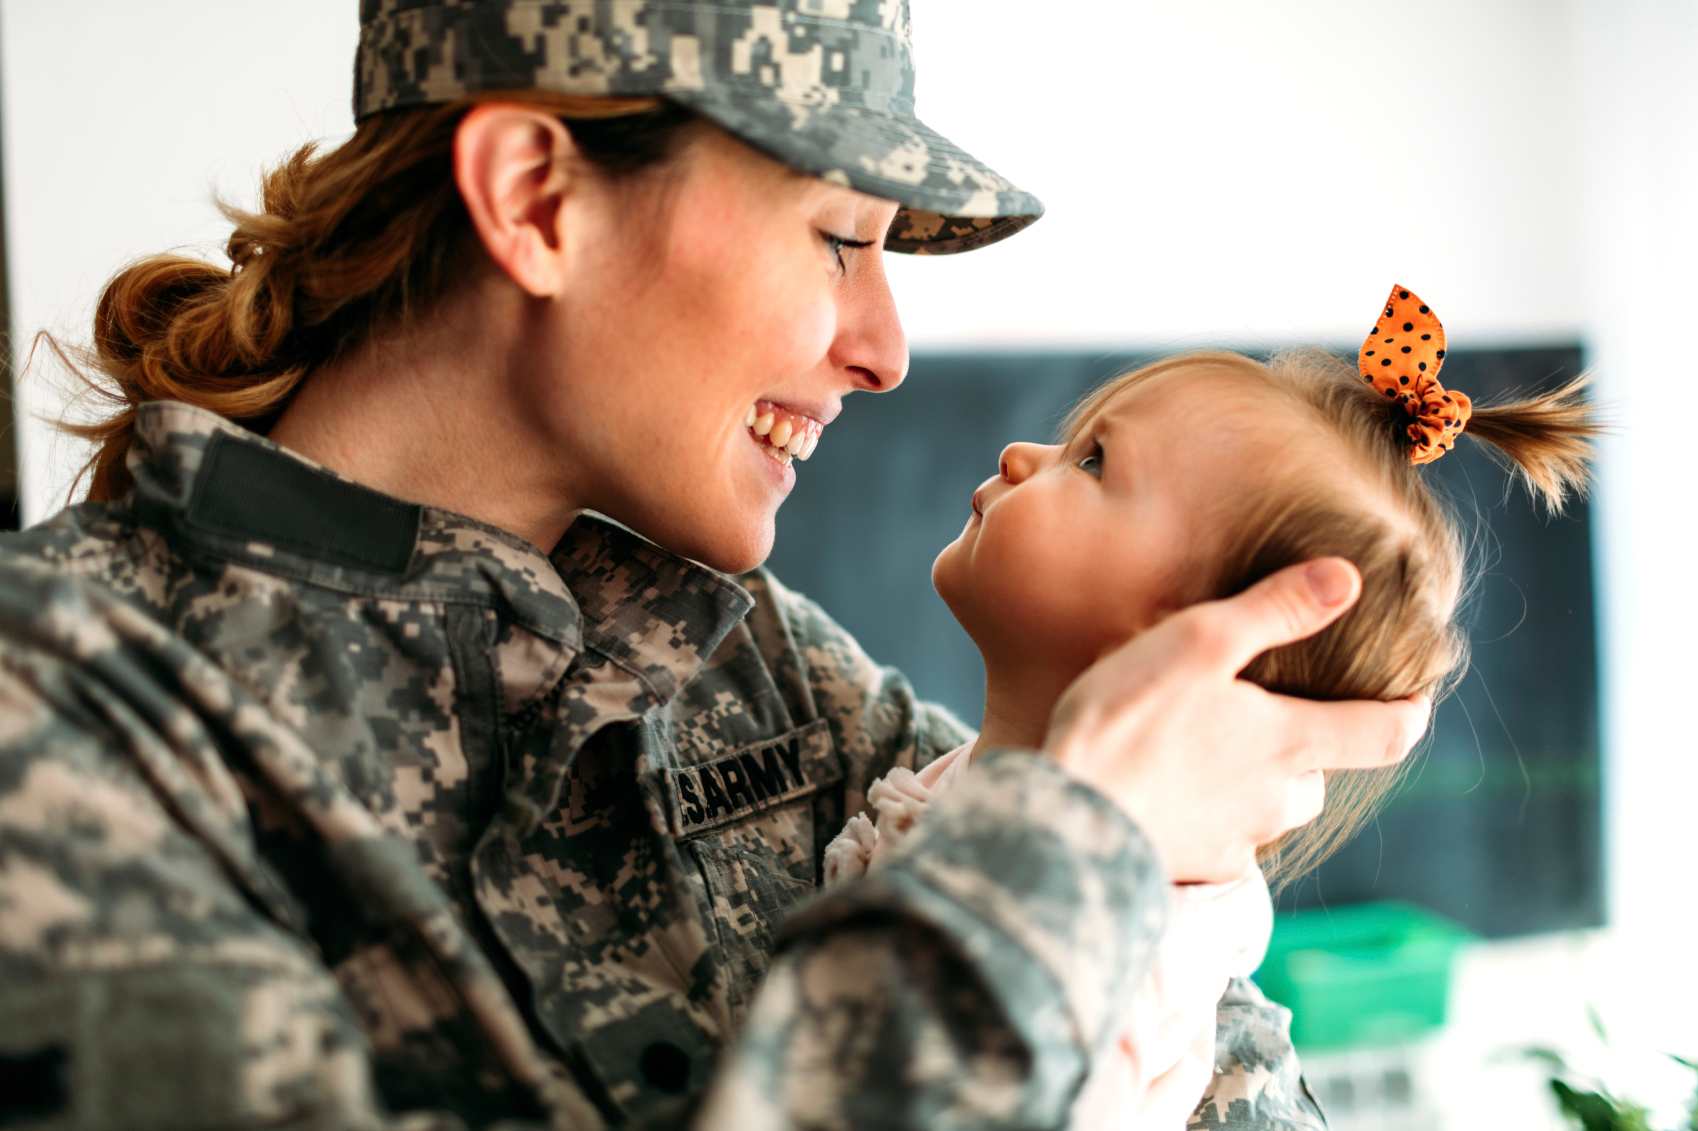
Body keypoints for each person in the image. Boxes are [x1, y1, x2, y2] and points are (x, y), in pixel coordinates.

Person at [0, 3, 1428, 1127]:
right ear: (536, 199)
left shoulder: (757, 660)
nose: (885, 349)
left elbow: (1213, 1055)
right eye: (837, 239)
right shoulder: (61, 717)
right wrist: (1076, 837)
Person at [820, 285, 1601, 1128]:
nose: (1017, 453)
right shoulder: (975, 779)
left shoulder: (1140, 953)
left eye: (1092, 461)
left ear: (1192, 642)